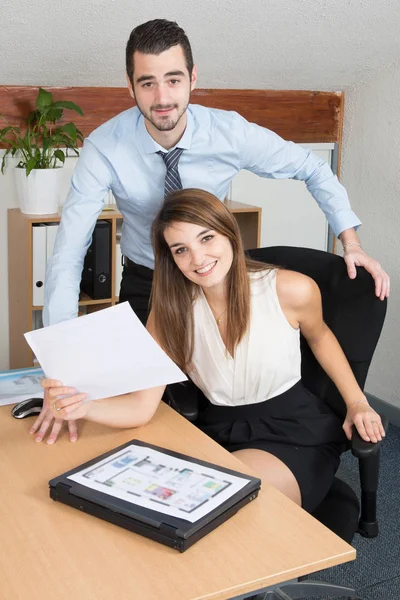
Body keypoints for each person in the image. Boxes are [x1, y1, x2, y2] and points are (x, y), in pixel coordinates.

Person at [36, 17, 389, 444]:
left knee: (218, 399)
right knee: (135, 405)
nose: (162, 97)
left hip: (218, 279)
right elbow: (70, 250)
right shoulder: (104, 147)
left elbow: (311, 167)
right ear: (129, 86)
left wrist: (350, 241)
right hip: (150, 281)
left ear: (193, 78)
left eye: (173, 79)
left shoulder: (229, 131)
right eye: (147, 83)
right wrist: (60, 364)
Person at [40, 189, 385, 512]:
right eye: (181, 249)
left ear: (229, 234)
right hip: (214, 430)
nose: (198, 258)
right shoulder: (170, 311)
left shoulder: (291, 289)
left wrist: (357, 403)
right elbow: (141, 407)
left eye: (206, 238)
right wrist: (81, 406)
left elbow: (321, 338)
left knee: (217, 507)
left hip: (292, 432)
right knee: (145, 502)